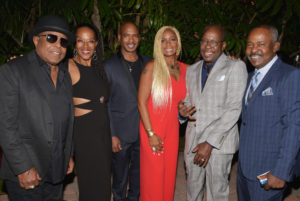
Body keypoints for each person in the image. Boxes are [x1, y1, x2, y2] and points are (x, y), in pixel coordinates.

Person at [0, 15, 75, 201]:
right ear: (36, 40)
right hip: (27, 172)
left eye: (63, 41)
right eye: (51, 38)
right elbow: (5, 125)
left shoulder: (65, 75)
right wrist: (23, 167)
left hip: (57, 170)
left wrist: (68, 155)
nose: (58, 45)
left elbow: (67, 120)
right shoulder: (13, 71)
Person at [179, 25, 248, 201]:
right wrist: (183, 111)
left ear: (223, 45)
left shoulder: (235, 67)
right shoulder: (192, 70)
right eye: (204, 41)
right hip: (194, 140)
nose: (207, 46)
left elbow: (234, 109)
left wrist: (209, 143)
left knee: (216, 193)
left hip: (219, 144)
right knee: (192, 190)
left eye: (213, 42)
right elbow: (188, 100)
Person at [238, 25, 300, 201]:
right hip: (244, 169)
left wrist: (281, 172)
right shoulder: (251, 77)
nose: (253, 50)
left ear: (276, 46)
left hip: (269, 170)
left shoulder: (291, 76)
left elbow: (294, 128)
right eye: (250, 44)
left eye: (260, 44)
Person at [138, 26, 187, 201]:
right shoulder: (151, 67)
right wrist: (150, 133)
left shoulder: (186, 69)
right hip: (152, 129)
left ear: (178, 42)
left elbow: (183, 102)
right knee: (153, 180)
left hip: (173, 130)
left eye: (172, 39)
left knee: (168, 178)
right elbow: (141, 103)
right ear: (158, 44)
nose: (168, 44)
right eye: (163, 40)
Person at [104, 22, 151, 201]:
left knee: (139, 177)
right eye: (126, 35)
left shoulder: (148, 62)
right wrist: (112, 134)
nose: (131, 40)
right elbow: (104, 102)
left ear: (139, 38)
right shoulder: (108, 65)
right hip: (121, 134)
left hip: (144, 131)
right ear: (119, 38)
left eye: (134, 36)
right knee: (119, 178)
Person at [68, 24, 111, 201]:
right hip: (85, 138)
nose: (85, 46)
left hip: (103, 136)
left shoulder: (97, 67)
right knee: (90, 187)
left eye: (90, 41)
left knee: (102, 187)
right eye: (80, 40)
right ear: (74, 43)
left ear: (96, 44)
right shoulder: (68, 66)